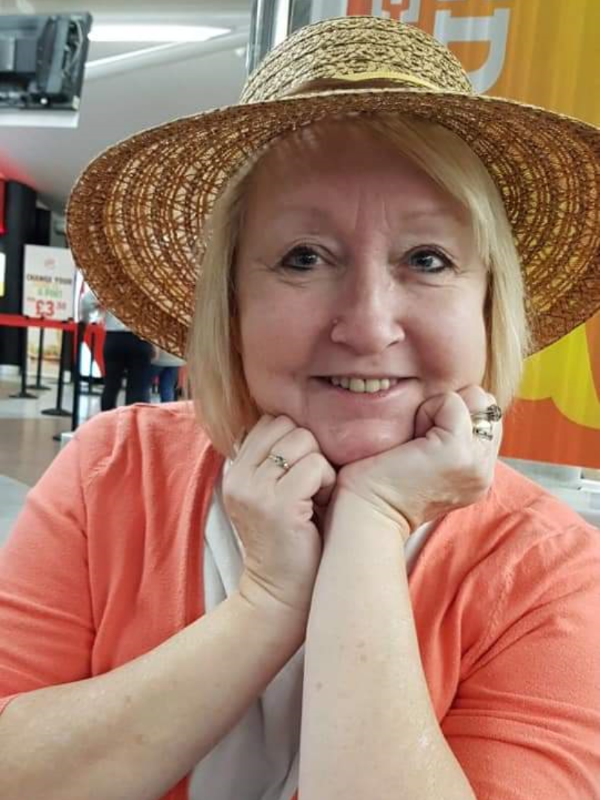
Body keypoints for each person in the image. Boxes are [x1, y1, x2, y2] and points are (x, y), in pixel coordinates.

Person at [1, 16, 600, 800]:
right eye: (303, 258)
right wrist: (265, 606)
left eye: (428, 259)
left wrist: (373, 523)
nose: (368, 325)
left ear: (488, 307)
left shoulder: (547, 570)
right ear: (232, 303)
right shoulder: (112, 470)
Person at [80, 287, 154, 410]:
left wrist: (85, 320)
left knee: (111, 385)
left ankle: (107, 422)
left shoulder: (111, 284)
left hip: (114, 338)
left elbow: (86, 301)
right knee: (136, 388)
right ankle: (130, 426)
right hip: (140, 339)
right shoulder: (145, 286)